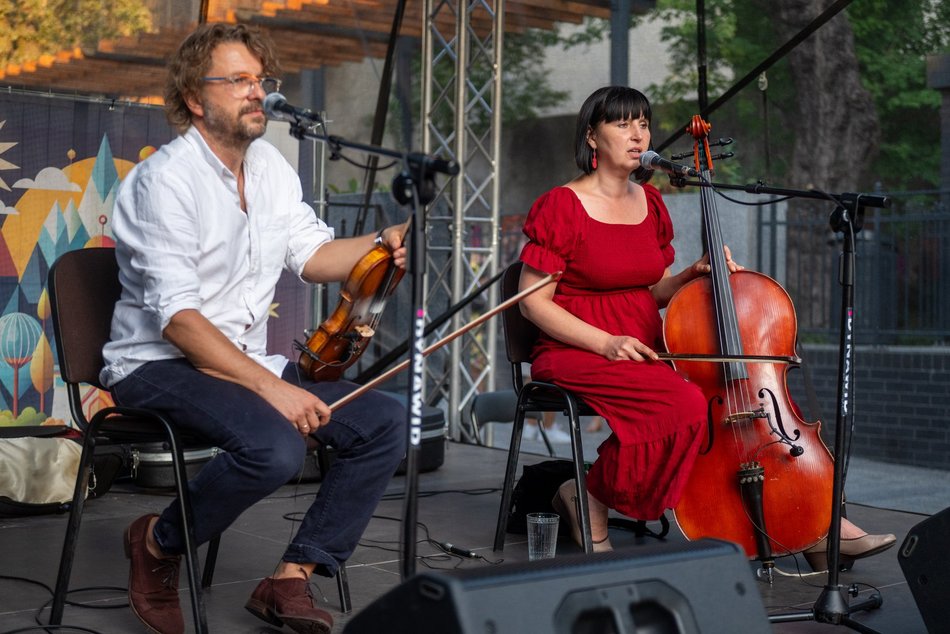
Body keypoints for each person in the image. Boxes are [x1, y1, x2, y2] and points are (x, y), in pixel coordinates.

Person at [100, 23, 407, 634]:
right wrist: (276, 389)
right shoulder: (165, 181)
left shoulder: (270, 167)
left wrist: (381, 243)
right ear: (194, 97)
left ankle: (290, 579)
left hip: (239, 360)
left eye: (261, 80)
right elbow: (180, 321)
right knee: (274, 446)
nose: (256, 92)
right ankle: (158, 543)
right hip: (155, 365)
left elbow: (314, 256)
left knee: (384, 422)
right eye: (238, 80)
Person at [517, 86, 896, 566]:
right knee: (684, 406)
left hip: (646, 344)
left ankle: (811, 523)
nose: (638, 135)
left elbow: (650, 290)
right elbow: (532, 304)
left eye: (644, 124)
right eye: (622, 124)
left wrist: (691, 275)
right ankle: (587, 494)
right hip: (579, 345)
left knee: (726, 404)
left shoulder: (650, 203)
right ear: (592, 136)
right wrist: (607, 342)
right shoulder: (561, 205)